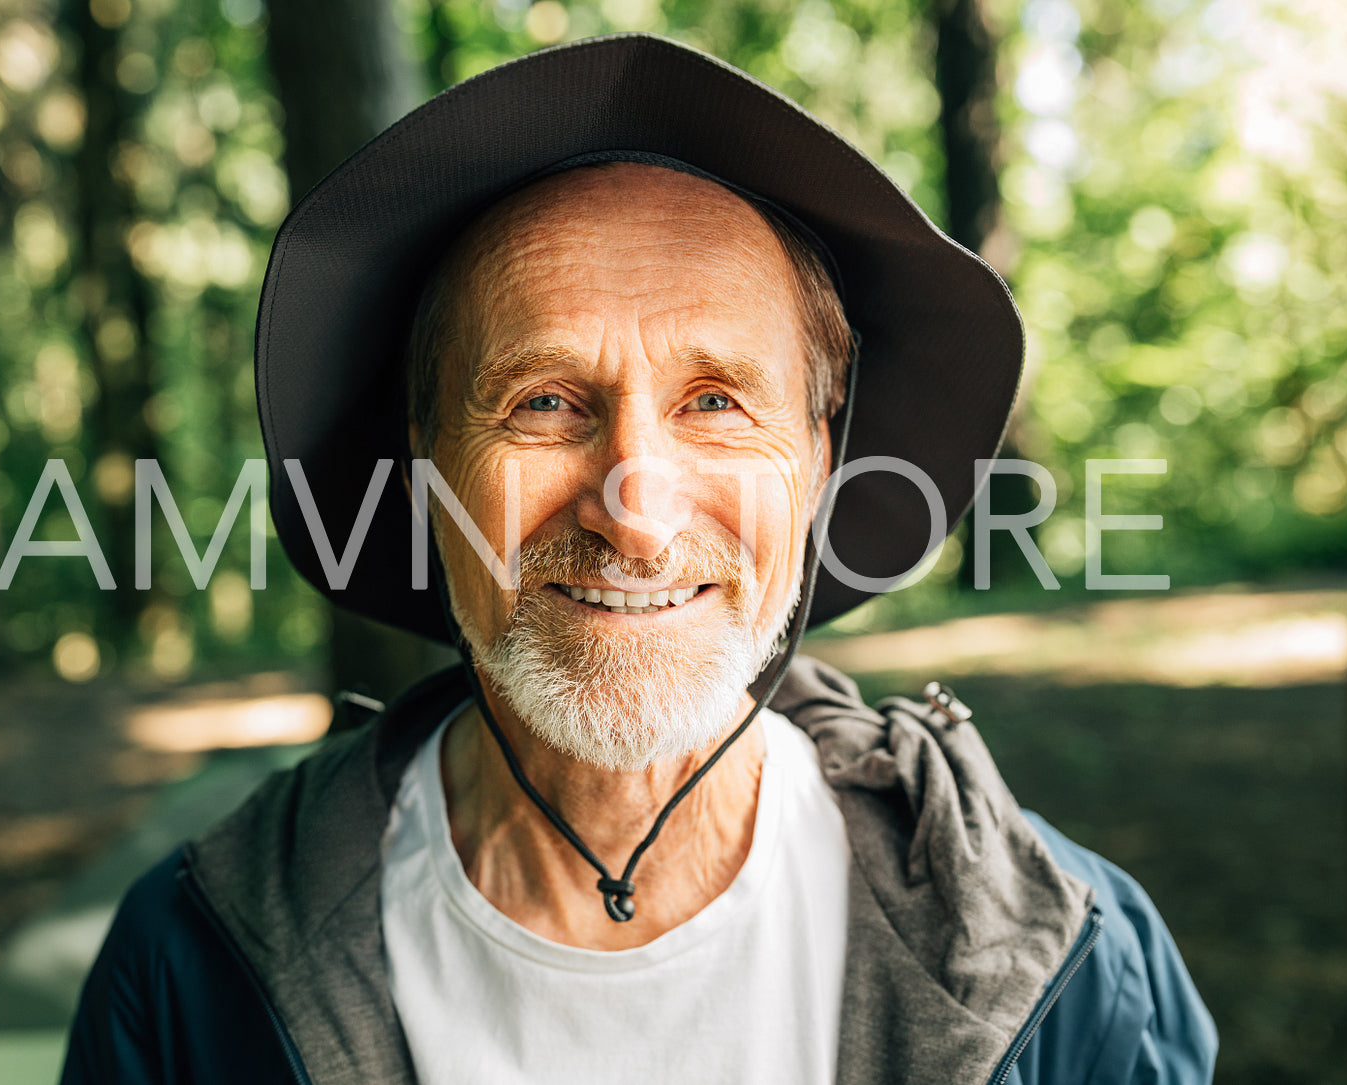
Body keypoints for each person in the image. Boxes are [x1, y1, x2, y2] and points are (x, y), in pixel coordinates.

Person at [61, 34, 1216, 1084]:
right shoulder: (191, 968)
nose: (635, 514)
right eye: (546, 401)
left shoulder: (1064, 953)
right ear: (427, 466)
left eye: (716, 401)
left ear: (817, 459)